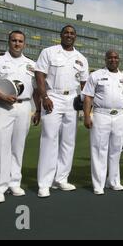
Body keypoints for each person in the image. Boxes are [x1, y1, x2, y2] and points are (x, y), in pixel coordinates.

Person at [0, 30, 40, 203]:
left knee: (18, 147)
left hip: (24, 106)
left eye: (20, 41)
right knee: (0, 146)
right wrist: (1, 96)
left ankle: (14, 182)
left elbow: (35, 90)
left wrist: (38, 110)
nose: (17, 43)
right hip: (2, 106)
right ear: (9, 42)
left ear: (24, 44)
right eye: (14, 40)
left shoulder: (31, 64)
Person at [34, 25, 89, 198]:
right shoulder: (49, 52)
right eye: (66, 32)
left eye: (72, 33)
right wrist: (44, 97)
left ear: (76, 37)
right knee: (49, 138)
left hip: (72, 99)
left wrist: (84, 103)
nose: (69, 35)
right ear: (61, 35)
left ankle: (61, 179)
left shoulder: (81, 58)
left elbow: (84, 85)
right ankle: (44, 183)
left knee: (68, 141)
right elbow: (39, 75)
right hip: (53, 97)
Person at [82, 50, 123, 195]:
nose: (113, 59)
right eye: (110, 57)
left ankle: (113, 181)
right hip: (101, 115)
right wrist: (87, 116)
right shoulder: (96, 75)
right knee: (99, 150)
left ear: (119, 60)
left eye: (116, 57)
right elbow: (88, 97)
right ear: (105, 59)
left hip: (119, 116)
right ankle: (98, 184)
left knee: (116, 151)